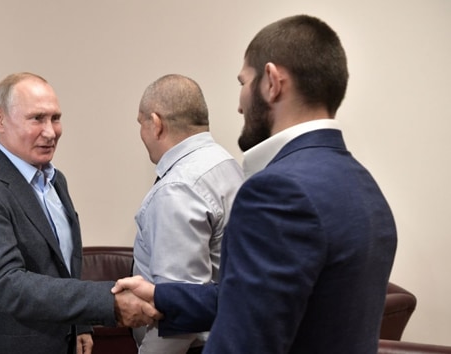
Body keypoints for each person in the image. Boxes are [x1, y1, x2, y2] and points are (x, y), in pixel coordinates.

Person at [113, 14, 397, 354]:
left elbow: (244, 341)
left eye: (243, 82)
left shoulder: (278, 191)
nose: (239, 104)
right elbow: (266, 299)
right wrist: (162, 296)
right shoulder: (362, 184)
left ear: (272, 82)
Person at [0, 72, 158, 354]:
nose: (50, 132)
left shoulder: (55, 180)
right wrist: (106, 303)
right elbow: (6, 285)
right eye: (37, 118)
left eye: (55, 118)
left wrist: (79, 325)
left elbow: (61, 264)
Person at [131, 74, 243, 354]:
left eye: (141, 123)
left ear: (156, 124)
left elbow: (180, 313)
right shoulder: (225, 165)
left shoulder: (178, 188)